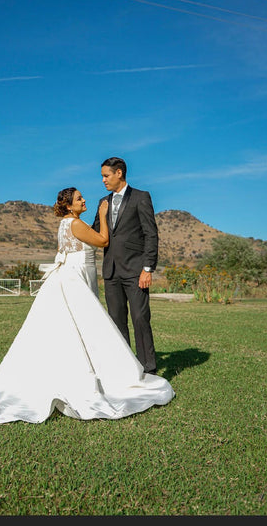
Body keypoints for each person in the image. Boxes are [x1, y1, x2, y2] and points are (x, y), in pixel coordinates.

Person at [0, 187, 174, 425]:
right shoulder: (75, 223)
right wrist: (101, 215)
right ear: (69, 205)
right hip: (74, 278)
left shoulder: (67, 223)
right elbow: (101, 240)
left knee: (78, 326)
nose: (84, 200)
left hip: (74, 274)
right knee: (85, 324)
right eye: (79, 199)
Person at [93, 157, 158, 375]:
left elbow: (151, 234)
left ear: (119, 173)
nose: (103, 180)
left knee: (140, 318)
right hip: (111, 271)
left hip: (135, 271)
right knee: (116, 320)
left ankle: (148, 368)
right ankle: (124, 367)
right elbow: (96, 233)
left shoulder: (141, 197)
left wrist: (147, 269)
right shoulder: (103, 202)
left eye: (106, 175)